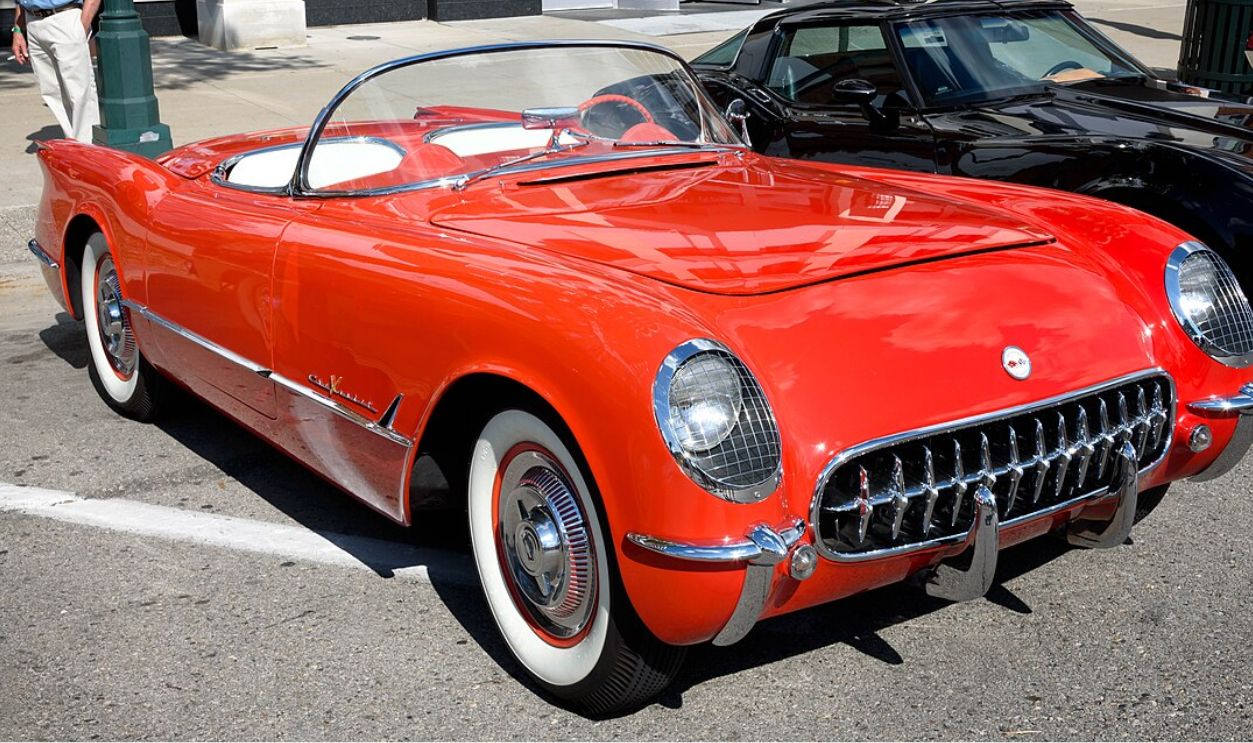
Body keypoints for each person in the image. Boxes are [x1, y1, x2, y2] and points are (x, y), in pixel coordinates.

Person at [10, 0, 101, 143]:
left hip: (64, 17)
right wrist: (18, 30)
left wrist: (82, 25)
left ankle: (89, 150)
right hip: (32, 22)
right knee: (53, 92)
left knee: (80, 92)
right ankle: (74, 144)